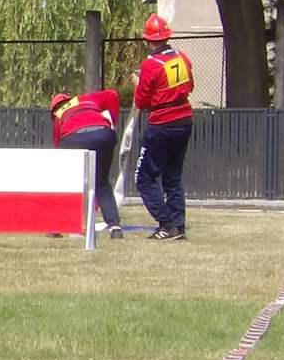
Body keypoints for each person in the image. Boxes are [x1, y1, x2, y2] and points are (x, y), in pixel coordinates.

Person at [131, 12, 195, 240]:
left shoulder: (151, 64)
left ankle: (167, 225)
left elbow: (142, 101)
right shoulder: (182, 57)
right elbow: (190, 86)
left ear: (148, 40)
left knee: (144, 177)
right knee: (173, 176)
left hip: (162, 122)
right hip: (184, 119)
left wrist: (139, 83)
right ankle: (178, 225)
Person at [49, 88, 124, 237]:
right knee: (101, 182)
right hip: (103, 133)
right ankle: (114, 227)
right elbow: (112, 94)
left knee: (69, 184)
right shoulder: (85, 98)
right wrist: (112, 121)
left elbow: (57, 143)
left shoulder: (59, 114)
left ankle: (57, 227)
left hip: (73, 138)